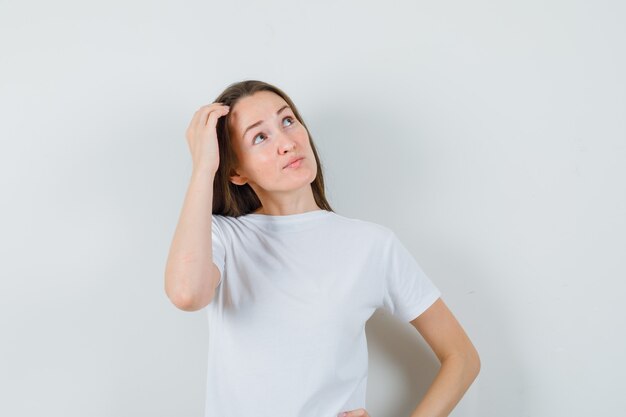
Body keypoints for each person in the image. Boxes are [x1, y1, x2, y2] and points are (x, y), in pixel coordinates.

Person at [164, 80, 480, 417]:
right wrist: (203, 168)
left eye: (287, 121)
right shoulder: (222, 237)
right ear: (236, 171)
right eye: (260, 136)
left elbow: (462, 357)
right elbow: (187, 294)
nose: (286, 142)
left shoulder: (372, 245)